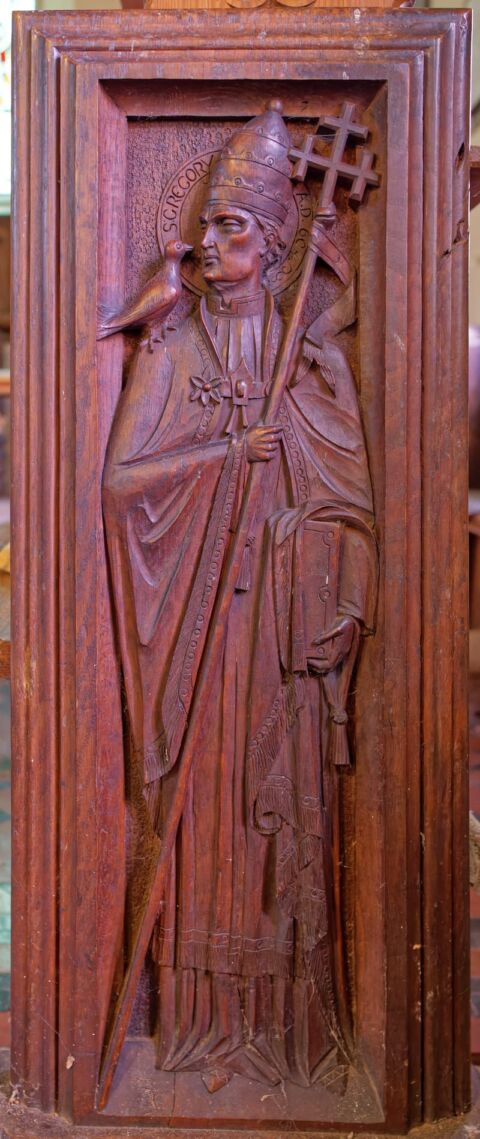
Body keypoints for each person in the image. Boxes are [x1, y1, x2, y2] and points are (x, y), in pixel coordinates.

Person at [102, 104, 377, 1093]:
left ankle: (286, 1032)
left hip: (280, 637)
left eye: (235, 227)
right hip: (205, 638)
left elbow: (350, 504)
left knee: (280, 828)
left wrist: (309, 544)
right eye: (208, 225)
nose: (210, 243)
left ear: (272, 244)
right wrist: (228, 453)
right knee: (205, 816)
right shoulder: (172, 353)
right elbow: (122, 486)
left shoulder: (311, 360)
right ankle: (200, 1030)